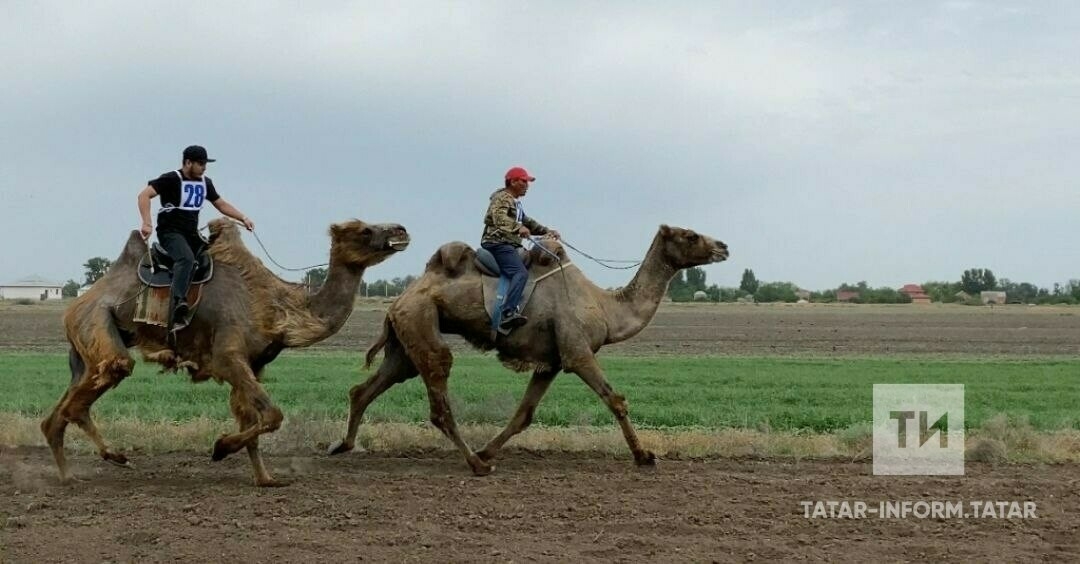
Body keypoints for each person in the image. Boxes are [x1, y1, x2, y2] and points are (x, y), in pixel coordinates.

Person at [137, 145, 254, 327]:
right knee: (186, 259)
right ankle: (178, 303)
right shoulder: (171, 179)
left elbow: (220, 204)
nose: (204, 167)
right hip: (170, 232)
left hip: (191, 234)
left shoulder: (205, 183)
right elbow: (144, 196)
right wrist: (147, 223)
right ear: (188, 162)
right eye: (200, 163)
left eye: (205, 163)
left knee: (217, 259)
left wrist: (243, 218)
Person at [481, 166, 560, 330]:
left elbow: (527, 222)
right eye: (524, 181)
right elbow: (498, 217)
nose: (527, 185)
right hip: (498, 243)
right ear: (513, 181)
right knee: (520, 273)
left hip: (509, 243)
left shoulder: (516, 203)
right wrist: (517, 228)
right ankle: (507, 313)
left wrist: (547, 231)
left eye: (527, 182)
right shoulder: (502, 198)